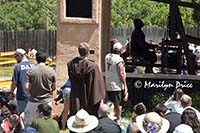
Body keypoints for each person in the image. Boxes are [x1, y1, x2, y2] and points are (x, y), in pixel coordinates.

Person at [67, 42, 105, 117]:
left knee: (77, 119)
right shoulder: (93, 67)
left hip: (75, 98)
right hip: (89, 100)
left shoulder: (71, 65)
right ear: (88, 52)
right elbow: (97, 86)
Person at [24, 50, 56, 126]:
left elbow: (26, 87)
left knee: (30, 124)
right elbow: (54, 87)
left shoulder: (30, 71)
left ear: (36, 59)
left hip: (33, 100)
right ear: (45, 59)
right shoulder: (51, 71)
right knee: (46, 125)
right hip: (46, 100)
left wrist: (31, 92)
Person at [105, 41, 128, 122]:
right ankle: (118, 119)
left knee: (110, 102)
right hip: (116, 84)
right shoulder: (119, 59)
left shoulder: (107, 56)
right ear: (120, 50)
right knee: (118, 103)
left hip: (108, 82)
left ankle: (110, 117)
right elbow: (121, 73)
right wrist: (125, 86)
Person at [9, 48, 36, 113]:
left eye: (16, 56)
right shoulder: (34, 65)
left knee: (23, 116)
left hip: (22, 95)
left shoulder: (18, 67)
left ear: (21, 55)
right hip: (34, 95)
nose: (15, 58)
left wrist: (11, 93)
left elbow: (14, 83)